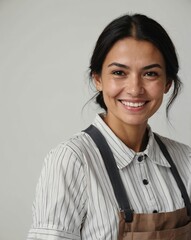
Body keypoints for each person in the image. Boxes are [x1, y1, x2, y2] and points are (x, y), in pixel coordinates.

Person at [27, 14, 191, 240]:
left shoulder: (187, 160)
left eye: (150, 73)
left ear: (167, 83)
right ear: (98, 79)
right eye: (119, 73)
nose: (135, 89)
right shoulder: (72, 161)